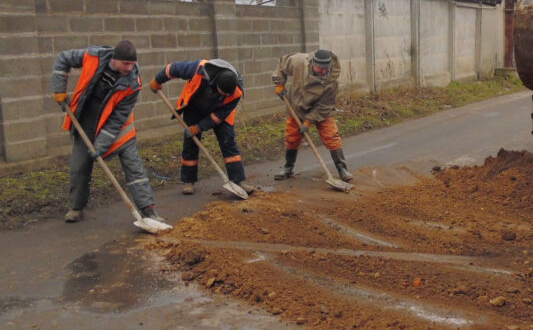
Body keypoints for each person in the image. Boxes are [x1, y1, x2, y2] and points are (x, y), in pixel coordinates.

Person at [51, 40, 161, 223]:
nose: (130, 67)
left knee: (134, 169)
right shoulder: (93, 57)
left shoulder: (133, 83)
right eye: (126, 63)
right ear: (115, 59)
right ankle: (76, 208)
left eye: (133, 63)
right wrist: (58, 90)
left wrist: (101, 145)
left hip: (118, 131)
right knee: (79, 169)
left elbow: (118, 119)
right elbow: (63, 58)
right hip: (85, 124)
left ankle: (148, 211)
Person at [149, 59, 253, 195]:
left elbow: (218, 116)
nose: (226, 96)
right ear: (216, 83)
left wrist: (199, 127)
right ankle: (188, 181)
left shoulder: (237, 92)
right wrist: (157, 80)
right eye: (223, 93)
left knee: (228, 142)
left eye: (228, 94)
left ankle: (238, 180)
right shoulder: (199, 69)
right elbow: (173, 69)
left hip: (220, 112)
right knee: (190, 142)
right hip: (194, 107)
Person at [272, 49, 353, 182]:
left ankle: (342, 169)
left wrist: (309, 121)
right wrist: (279, 84)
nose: (323, 72)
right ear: (312, 64)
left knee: (331, 136)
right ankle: (288, 168)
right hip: (296, 107)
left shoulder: (331, 82)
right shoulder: (298, 62)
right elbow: (282, 64)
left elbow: (324, 106)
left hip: (320, 111)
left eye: (326, 69)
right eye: (320, 69)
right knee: (292, 137)